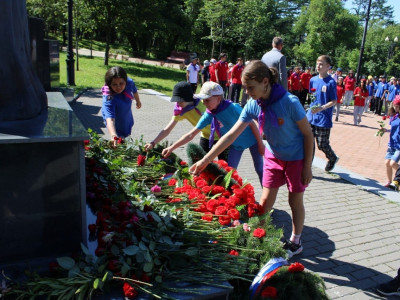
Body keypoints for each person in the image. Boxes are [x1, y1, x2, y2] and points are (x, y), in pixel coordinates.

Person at [189, 60, 314, 258]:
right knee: (264, 201)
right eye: (245, 88)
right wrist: (206, 160)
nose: (247, 92)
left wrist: (307, 166)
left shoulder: (290, 102)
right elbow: (230, 135)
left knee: (294, 201)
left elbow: (308, 135)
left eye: (250, 87)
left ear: (266, 82)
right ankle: (258, 237)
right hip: (274, 156)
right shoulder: (253, 105)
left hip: (296, 158)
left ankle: (295, 241)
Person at [162, 81, 265, 184]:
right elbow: (191, 134)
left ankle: (266, 197)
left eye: (207, 100)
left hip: (253, 140)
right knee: (229, 173)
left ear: (218, 98)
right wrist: (172, 147)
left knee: (260, 169)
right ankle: (232, 197)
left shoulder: (232, 108)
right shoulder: (209, 114)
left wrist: (260, 143)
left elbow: (251, 123)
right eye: (203, 100)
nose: (204, 103)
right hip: (236, 145)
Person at [144, 81, 227, 160]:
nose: (178, 103)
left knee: (226, 167)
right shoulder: (180, 110)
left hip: (223, 136)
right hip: (206, 136)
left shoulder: (204, 103)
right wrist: (153, 143)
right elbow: (167, 129)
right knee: (200, 164)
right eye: (176, 100)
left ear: (188, 98)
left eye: (180, 100)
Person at [307, 55, 339, 172]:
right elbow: (311, 96)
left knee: (322, 144)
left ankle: (332, 158)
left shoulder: (331, 82)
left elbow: (334, 100)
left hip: (323, 118)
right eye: (317, 63)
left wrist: (322, 108)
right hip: (311, 117)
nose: (318, 66)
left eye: (321, 64)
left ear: (327, 66)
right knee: (309, 143)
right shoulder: (312, 80)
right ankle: (307, 168)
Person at [101, 66, 141, 146]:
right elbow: (110, 119)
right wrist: (113, 136)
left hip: (126, 114)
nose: (118, 87)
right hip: (115, 118)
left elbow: (135, 91)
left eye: (121, 83)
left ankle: (125, 139)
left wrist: (138, 101)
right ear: (109, 84)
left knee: (126, 131)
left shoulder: (129, 82)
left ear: (125, 81)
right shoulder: (108, 97)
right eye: (114, 84)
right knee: (118, 138)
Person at [383, 96, 400, 187]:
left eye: (397, 106)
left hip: (399, 145)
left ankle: (397, 180)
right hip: (392, 143)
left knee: (392, 163)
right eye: (394, 105)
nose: (395, 107)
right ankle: (389, 181)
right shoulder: (393, 116)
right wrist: (385, 130)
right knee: (387, 163)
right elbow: (392, 128)